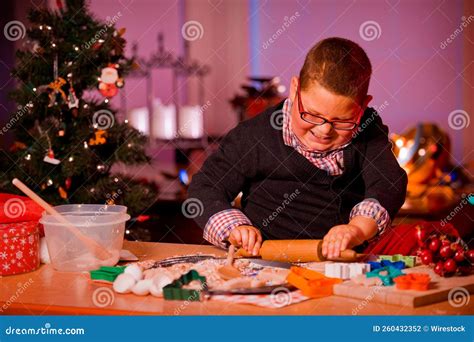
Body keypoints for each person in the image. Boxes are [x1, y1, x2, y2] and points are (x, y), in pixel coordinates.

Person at [188, 37, 407, 260]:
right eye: (311, 115)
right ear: (295, 90)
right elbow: (205, 187)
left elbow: (388, 183)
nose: (324, 131)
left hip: (339, 264)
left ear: (363, 107)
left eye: (342, 121)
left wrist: (357, 229)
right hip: (263, 264)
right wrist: (234, 228)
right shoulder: (254, 135)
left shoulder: (367, 129)